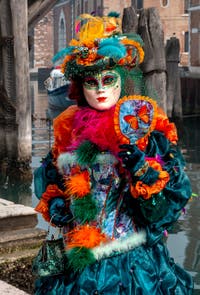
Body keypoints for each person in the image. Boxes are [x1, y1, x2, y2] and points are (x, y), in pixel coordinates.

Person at [33, 12, 193, 295]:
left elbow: (169, 200)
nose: (101, 90)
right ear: (80, 88)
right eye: (91, 83)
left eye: (108, 80)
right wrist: (62, 206)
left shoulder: (146, 132)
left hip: (130, 258)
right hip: (79, 254)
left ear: (121, 79)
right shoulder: (67, 132)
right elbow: (51, 181)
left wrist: (141, 168)